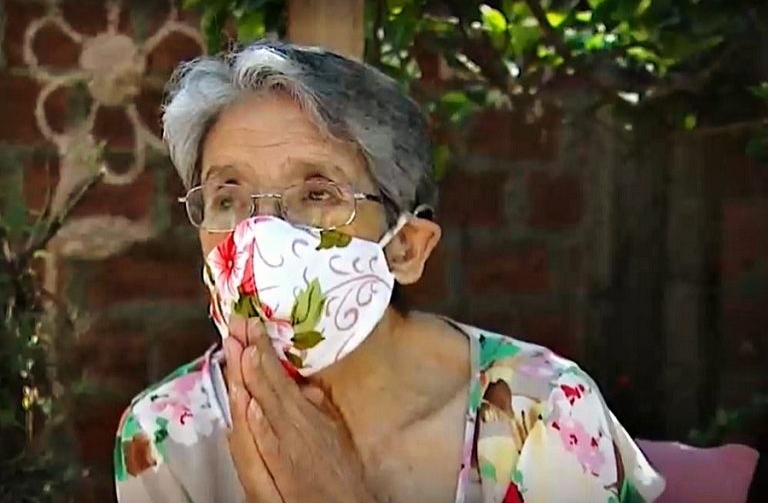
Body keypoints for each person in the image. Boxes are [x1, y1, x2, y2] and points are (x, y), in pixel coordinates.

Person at [113, 40, 665, 503]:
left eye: (316, 192)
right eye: (226, 197)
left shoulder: (540, 412)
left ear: (405, 248)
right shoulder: (167, 434)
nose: (262, 235)